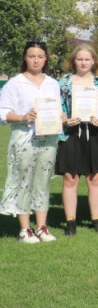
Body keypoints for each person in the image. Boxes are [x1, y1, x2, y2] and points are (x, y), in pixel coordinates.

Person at [0, 41, 61, 243]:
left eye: (40, 56)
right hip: (24, 137)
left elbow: (57, 108)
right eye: (32, 56)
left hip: (48, 138)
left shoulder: (52, 83)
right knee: (23, 181)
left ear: (46, 59)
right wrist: (22, 117)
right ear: (25, 58)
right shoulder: (15, 83)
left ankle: (41, 227)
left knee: (43, 181)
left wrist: (60, 116)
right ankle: (25, 229)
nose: (36, 60)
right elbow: (3, 112)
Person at [55, 43, 98, 234]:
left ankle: (96, 221)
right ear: (73, 61)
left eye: (87, 59)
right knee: (70, 178)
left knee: (95, 178)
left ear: (94, 61)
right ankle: (70, 222)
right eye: (80, 59)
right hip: (70, 134)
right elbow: (57, 107)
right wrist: (65, 119)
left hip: (95, 134)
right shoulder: (63, 83)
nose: (84, 62)